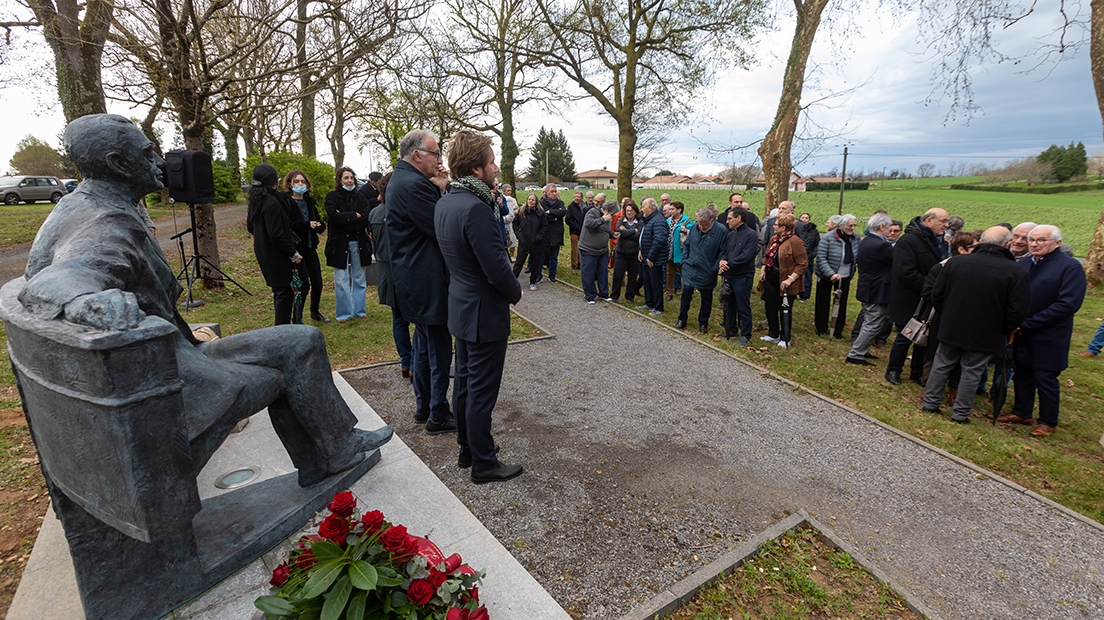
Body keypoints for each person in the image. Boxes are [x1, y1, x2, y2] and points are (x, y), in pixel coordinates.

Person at [19, 113, 392, 489]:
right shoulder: (105, 220)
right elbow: (67, 273)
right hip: (171, 369)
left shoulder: (79, 205)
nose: (160, 163)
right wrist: (87, 300)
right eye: (148, 153)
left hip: (175, 350)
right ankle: (332, 451)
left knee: (301, 338)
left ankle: (332, 451)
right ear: (117, 163)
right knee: (290, 366)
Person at [434, 131, 524, 483]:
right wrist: (515, 290)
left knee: (466, 384)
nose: (496, 167)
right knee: (481, 390)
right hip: (484, 311)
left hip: (461, 304)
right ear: (475, 168)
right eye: (490, 162)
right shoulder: (476, 208)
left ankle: (468, 448)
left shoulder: (447, 201)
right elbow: (495, 265)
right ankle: (484, 463)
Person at [386, 129, 455, 435]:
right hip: (426, 278)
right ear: (417, 155)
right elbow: (441, 227)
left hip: (415, 277)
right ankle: (438, 412)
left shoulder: (405, 180)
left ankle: (424, 405)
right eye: (436, 154)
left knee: (424, 345)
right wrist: (442, 191)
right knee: (437, 349)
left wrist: (438, 187)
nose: (439, 160)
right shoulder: (413, 186)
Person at [923, 227, 1031, 423]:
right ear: (1007, 244)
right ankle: (960, 413)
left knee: (942, 364)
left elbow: (937, 295)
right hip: (986, 330)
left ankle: (930, 403)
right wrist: (1003, 328)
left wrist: (947, 315)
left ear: (980, 241)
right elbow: (1017, 310)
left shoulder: (956, 262)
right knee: (972, 371)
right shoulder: (1016, 272)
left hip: (952, 324)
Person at [998, 225, 1087, 437]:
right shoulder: (1025, 262)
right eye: (1032, 240)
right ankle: (1022, 411)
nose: (1035, 244)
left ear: (1057, 243)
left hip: (1049, 334)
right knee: (1022, 373)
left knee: (1045, 377)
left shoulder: (1069, 267)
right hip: (1021, 332)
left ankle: (1047, 421)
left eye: (1041, 240)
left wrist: (1030, 322)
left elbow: (1067, 304)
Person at [884, 208, 949, 386]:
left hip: (929, 299)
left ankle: (917, 372)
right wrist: (931, 285)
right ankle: (893, 370)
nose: (946, 224)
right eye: (942, 221)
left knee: (925, 337)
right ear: (928, 220)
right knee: (905, 336)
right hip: (909, 298)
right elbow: (904, 272)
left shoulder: (940, 241)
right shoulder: (909, 241)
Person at [369, 172, 413, 381]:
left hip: (386, 273)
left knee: (398, 320)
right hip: (405, 271)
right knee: (418, 321)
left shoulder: (374, 214)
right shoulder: (401, 212)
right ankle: (413, 362)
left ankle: (406, 361)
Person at [247, 164, 303, 325]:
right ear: (273, 181)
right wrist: (293, 253)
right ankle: (282, 332)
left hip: (264, 252)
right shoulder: (271, 202)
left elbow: (250, 227)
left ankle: (282, 329)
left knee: (280, 292)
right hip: (277, 255)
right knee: (284, 293)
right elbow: (276, 234)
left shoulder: (256, 200)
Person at [845, 212, 894, 365]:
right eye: (890, 227)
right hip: (876, 289)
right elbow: (897, 259)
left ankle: (862, 350)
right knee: (873, 324)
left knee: (869, 320)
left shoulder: (867, 241)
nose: (891, 231)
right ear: (882, 227)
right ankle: (856, 354)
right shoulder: (881, 245)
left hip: (868, 287)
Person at [324, 166, 372, 323]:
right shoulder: (332, 197)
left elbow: (365, 218)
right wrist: (354, 216)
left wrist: (345, 217)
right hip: (339, 243)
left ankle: (360, 310)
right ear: (339, 180)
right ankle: (344, 314)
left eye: (351, 177)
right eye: (346, 178)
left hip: (359, 242)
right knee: (341, 279)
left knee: (359, 277)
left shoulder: (361, 198)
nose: (349, 181)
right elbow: (333, 217)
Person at [283, 169, 328, 323]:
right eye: (296, 181)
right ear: (290, 184)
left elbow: (320, 223)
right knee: (303, 285)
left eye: (302, 181)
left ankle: (315, 312)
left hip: (311, 248)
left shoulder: (310, 202)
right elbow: (289, 226)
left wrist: (319, 225)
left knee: (318, 283)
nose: (300, 184)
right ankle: (297, 317)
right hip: (297, 250)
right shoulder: (287, 203)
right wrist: (307, 225)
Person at [759, 214, 807, 348]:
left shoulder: (795, 242)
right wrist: (763, 269)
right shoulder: (774, 239)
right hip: (771, 278)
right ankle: (773, 334)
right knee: (770, 307)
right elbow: (766, 255)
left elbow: (802, 264)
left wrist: (790, 280)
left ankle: (785, 337)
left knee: (785, 309)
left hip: (786, 281)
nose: (773, 226)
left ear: (784, 227)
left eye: (776, 224)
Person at [676, 208, 727, 332]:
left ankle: (703, 323)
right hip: (690, 267)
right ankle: (682, 319)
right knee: (686, 292)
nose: (701, 226)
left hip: (707, 270)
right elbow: (687, 244)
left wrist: (713, 268)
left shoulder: (721, 231)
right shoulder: (694, 227)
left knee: (706, 297)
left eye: (704, 225)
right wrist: (685, 260)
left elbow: (723, 252)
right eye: (699, 223)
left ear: (712, 221)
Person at [814, 213, 860, 339]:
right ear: (841, 226)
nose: (852, 228)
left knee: (841, 303)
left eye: (854, 225)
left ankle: (838, 330)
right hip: (826, 275)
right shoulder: (828, 238)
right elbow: (821, 258)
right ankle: (821, 327)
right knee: (823, 302)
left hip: (845, 275)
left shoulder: (856, 238)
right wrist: (831, 274)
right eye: (850, 225)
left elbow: (857, 256)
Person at [719, 207, 758, 344]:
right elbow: (725, 251)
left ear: (739, 218)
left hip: (743, 276)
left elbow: (746, 256)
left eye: (730, 218)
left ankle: (746, 335)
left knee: (743, 305)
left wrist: (728, 263)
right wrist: (722, 261)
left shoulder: (751, 235)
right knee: (729, 304)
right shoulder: (731, 234)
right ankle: (731, 330)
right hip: (730, 275)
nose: (727, 220)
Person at [579, 201, 617, 302]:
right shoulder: (592, 212)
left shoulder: (607, 218)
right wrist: (602, 219)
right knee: (588, 273)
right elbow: (588, 223)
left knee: (603, 272)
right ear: (605, 210)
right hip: (588, 249)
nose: (612, 217)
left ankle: (603, 294)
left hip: (602, 250)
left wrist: (612, 234)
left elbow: (604, 230)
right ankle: (590, 295)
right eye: (611, 214)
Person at [637, 197, 668, 315]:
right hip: (645, 256)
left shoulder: (658, 220)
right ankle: (649, 303)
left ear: (650, 208)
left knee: (655, 282)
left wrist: (651, 257)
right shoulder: (649, 219)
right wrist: (641, 250)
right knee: (647, 281)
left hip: (654, 259)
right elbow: (645, 236)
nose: (641, 209)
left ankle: (658, 307)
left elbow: (659, 240)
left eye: (643, 206)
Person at [511, 194, 548, 290]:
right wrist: (519, 235)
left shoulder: (540, 213)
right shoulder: (521, 212)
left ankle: (533, 282)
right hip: (524, 242)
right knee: (519, 262)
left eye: (533, 200)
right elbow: (515, 224)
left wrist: (539, 237)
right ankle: (512, 281)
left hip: (537, 243)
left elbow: (545, 227)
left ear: (536, 202)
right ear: (527, 200)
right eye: (529, 199)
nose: (531, 201)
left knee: (535, 264)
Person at [611, 201, 642, 302]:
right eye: (627, 211)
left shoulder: (640, 222)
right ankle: (614, 295)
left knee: (632, 276)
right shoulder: (620, 221)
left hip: (634, 253)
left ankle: (630, 296)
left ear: (635, 212)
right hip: (621, 253)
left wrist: (626, 232)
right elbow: (620, 232)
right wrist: (634, 231)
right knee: (618, 274)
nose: (629, 213)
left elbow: (639, 236)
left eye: (631, 211)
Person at [665, 201, 692, 302]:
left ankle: (687, 292)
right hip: (670, 251)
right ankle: (669, 292)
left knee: (684, 273)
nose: (670, 211)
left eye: (672, 209)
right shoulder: (668, 221)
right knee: (670, 273)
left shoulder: (688, 221)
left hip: (681, 252)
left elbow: (694, 235)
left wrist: (686, 231)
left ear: (679, 210)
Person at [540, 184, 566, 282]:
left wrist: (550, 212)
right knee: (541, 256)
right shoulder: (541, 203)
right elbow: (542, 216)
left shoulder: (560, 203)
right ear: (546, 192)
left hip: (556, 234)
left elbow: (563, 213)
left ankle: (552, 276)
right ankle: (538, 276)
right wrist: (555, 216)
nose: (554, 194)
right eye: (552, 192)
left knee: (554, 257)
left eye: (555, 191)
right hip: (544, 233)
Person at [797, 212, 819, 301]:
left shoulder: (814, 231)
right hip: (798, 256)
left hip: (808, 257)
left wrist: (812, 255)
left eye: (806, 218)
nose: (804, 219)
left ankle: (804, 295)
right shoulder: (797, 229)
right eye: (802, 217)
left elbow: (817, 244)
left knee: (807, 277)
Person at [565, 190, 585, 271]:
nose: (576, 198)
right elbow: (568, 219)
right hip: (574, 231)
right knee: (575, 249)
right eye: (575, 196)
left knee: (582, 248)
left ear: (582, 198)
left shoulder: (584, 206)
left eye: (578, 197)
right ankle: (574, 265)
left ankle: (580, 264)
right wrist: (576, 226)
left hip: (583, 231)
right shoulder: (571, 206)